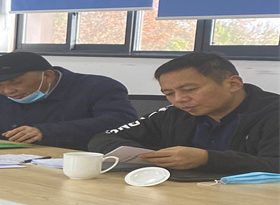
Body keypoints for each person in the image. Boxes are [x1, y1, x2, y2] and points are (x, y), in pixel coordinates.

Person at [88, 53, 279, 174]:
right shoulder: (175, 114)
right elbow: (103, 138)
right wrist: (147, 156)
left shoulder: (272, 113)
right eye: (169, 93)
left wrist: (206, 159)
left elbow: (275, 165)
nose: (179, 99)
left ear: (233, 84)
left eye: (190, 89)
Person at [0, 51, 137, 150]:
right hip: (18, 162)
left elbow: (121, 122)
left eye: (15, 82)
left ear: (47, 75)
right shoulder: (0, 97)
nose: (8, 91)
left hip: (78, 165)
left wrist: (45, 132)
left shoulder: (97, 87)